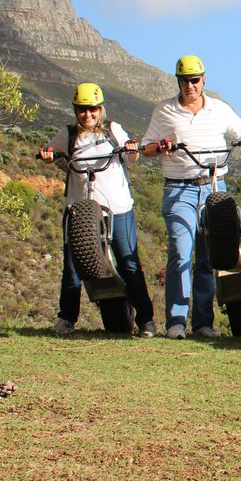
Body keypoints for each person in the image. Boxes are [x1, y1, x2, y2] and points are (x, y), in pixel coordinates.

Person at [141, 55, 241, 339]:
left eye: (194, 80)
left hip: (214, 189)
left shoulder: (219, 109)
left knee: (208, 258)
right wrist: (161, 147)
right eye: (184, 81)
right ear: (178, 82)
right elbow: (146, 147)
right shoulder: (165, 111)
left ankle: (203, 323)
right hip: (179, 188)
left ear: (203, 80)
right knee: (181, 251)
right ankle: (176, 323)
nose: (189, 86)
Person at [40, 83, 155, 337]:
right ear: (75, 110)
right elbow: (52, 151)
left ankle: (146, 321)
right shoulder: (68, 134)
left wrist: (132, 150)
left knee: (129, 263)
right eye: (82, 110)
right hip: (79, 210)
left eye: (92, 109)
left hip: (117, 208)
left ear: (100, 109)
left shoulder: (113, 130)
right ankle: (66, 319)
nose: (87, 115)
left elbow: (131, 156)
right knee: (72, 266)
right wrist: (48, 155)